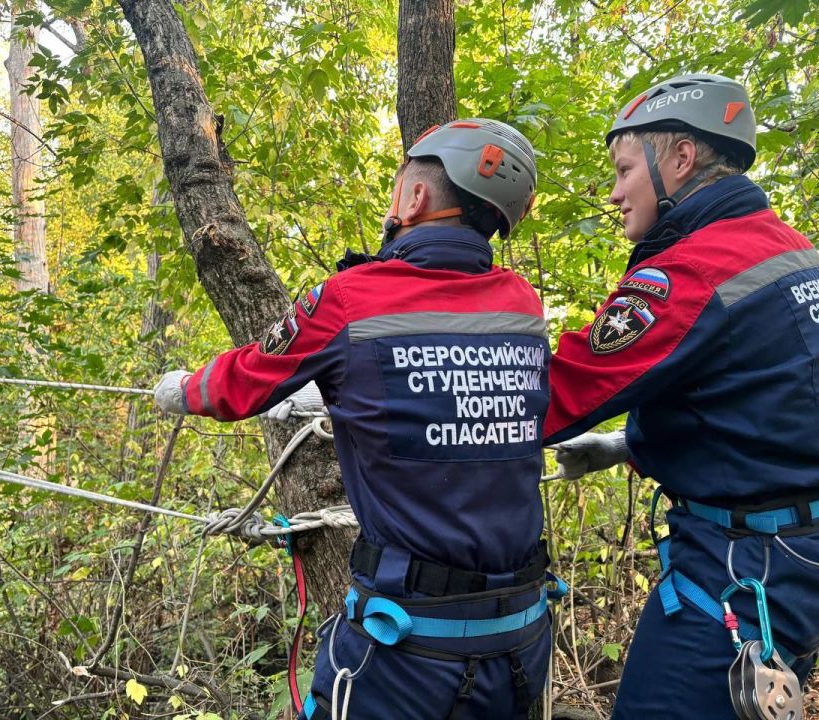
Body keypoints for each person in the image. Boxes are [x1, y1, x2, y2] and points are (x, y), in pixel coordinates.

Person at [154, 119, 557, 719]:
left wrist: (183, 390)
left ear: (415, 198)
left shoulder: (349, 298)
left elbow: (245, 383)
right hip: (522, 637)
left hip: (407, 650)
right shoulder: (521, 304)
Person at [542, 74, 819, 718]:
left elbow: (553, 398)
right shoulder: (791, 249)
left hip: (747, 571)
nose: (613, 193)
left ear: (680, 159)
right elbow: (768, 401)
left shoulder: (693, 270)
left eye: (624, 169)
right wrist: (628, 444)